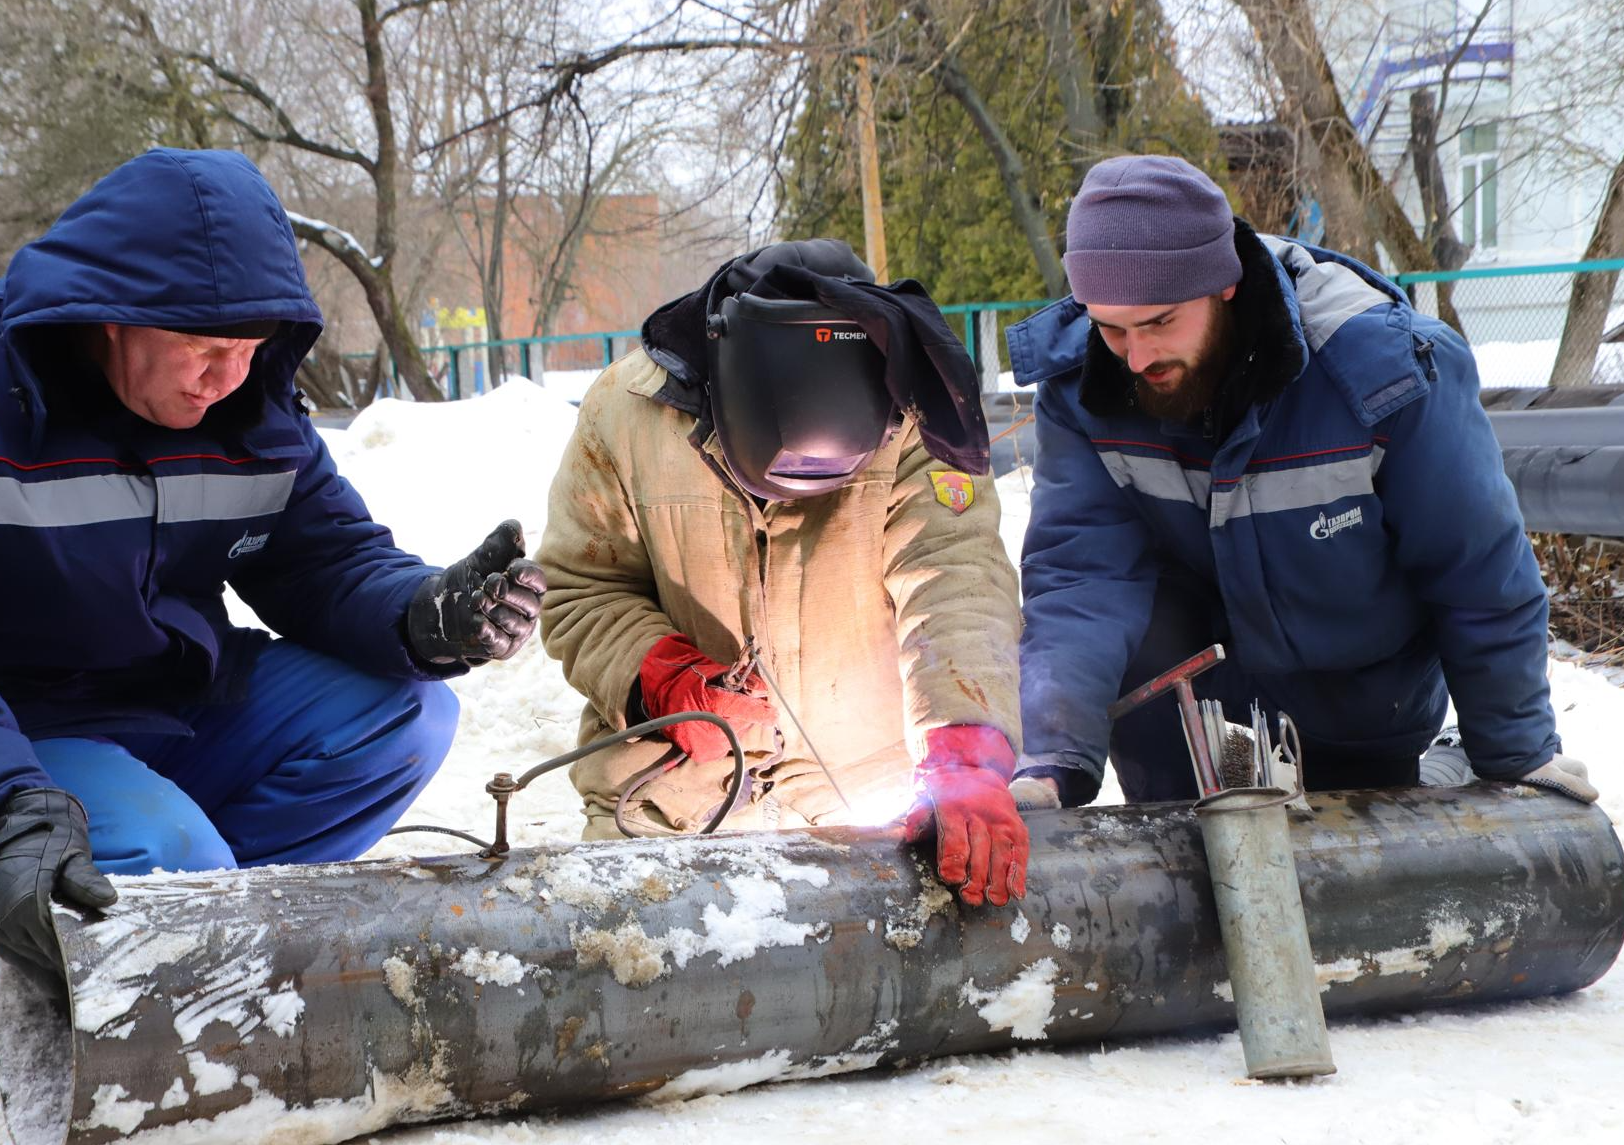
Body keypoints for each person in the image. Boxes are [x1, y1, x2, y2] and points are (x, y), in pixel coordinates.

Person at [0, 148, 547, 1103]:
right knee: (162, 858)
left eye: (247, 353)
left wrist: (422, 612)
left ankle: (183, 938)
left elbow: (322, 559)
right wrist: (0, 806)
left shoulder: (247, 395)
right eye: (202, 351)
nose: (223, 381)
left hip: (163, 706)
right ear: (107, 313)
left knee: (406, 717)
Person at [1002, 154, 1594, 810]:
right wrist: (1052, 755)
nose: (1136, 357)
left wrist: (1517, 750)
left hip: (1359, 697)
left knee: (1357, 892)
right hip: (1182, 708)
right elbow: (1081, 576)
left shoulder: (1385, 374)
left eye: (1160, 322)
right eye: (1112, 328)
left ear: (1223, 283)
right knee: (1185, 886)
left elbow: (1476, 571)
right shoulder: (1084, 387)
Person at [537, 239, 1029, 908]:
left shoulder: (920, 408)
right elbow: (580, 586)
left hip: (863, 815)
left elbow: (954, 581)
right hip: (667, 813)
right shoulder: (627, 410)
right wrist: (664, 677)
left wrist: (964, 755)